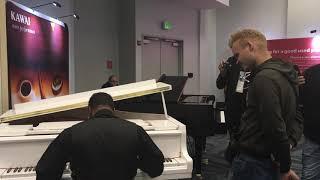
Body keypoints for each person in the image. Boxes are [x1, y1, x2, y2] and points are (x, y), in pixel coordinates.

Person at [229, 29, 303, 180]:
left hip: (255, 163)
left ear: (250, 46)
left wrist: (285, 167)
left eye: (237, 55)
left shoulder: (264, 79)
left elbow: (275, 127)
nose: (237, 61)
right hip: (269, 158)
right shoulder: (286, 73)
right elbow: (297, 116)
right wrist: (287, 148)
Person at [36, 93, 164, 180]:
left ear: (89, 110)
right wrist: (135, 161)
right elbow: (157, 167)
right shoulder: (135, 130)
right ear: (113, 109)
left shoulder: (71, 133)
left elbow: (45, 172)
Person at [216, 55, 252, 163]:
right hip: (232, 107)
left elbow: (241, 88)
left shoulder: (251, 60)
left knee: (245, 140)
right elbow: (219, 84)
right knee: (234, 139)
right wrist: (222, 74)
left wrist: (244, 72)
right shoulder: (231, 61)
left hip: (247, 109)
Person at [301, 64, 320, 180]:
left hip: (311, 136)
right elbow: (300, 100)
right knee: (309, 176)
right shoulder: (310, 73)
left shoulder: (310, 72)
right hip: (313, 137)